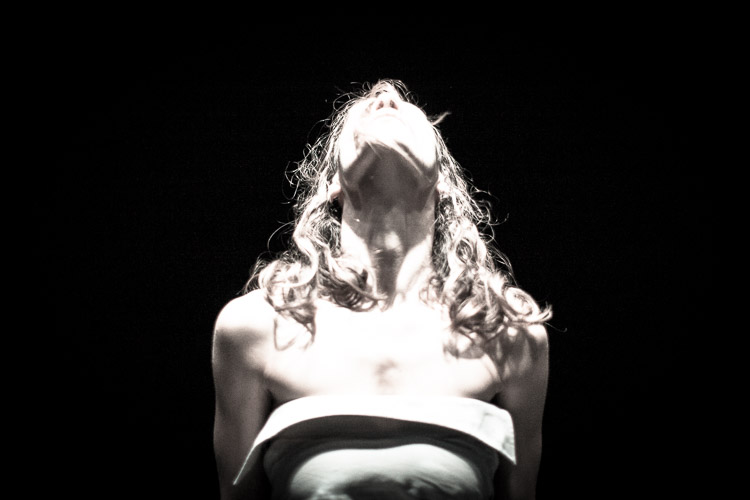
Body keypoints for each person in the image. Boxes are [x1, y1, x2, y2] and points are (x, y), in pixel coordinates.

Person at [212, 79, 552, 500]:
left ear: (443, 182)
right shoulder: (255, 327)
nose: (385, 96)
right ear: (333, 184)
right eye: (368, 109)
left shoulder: (509, 335)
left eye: (404, 108)